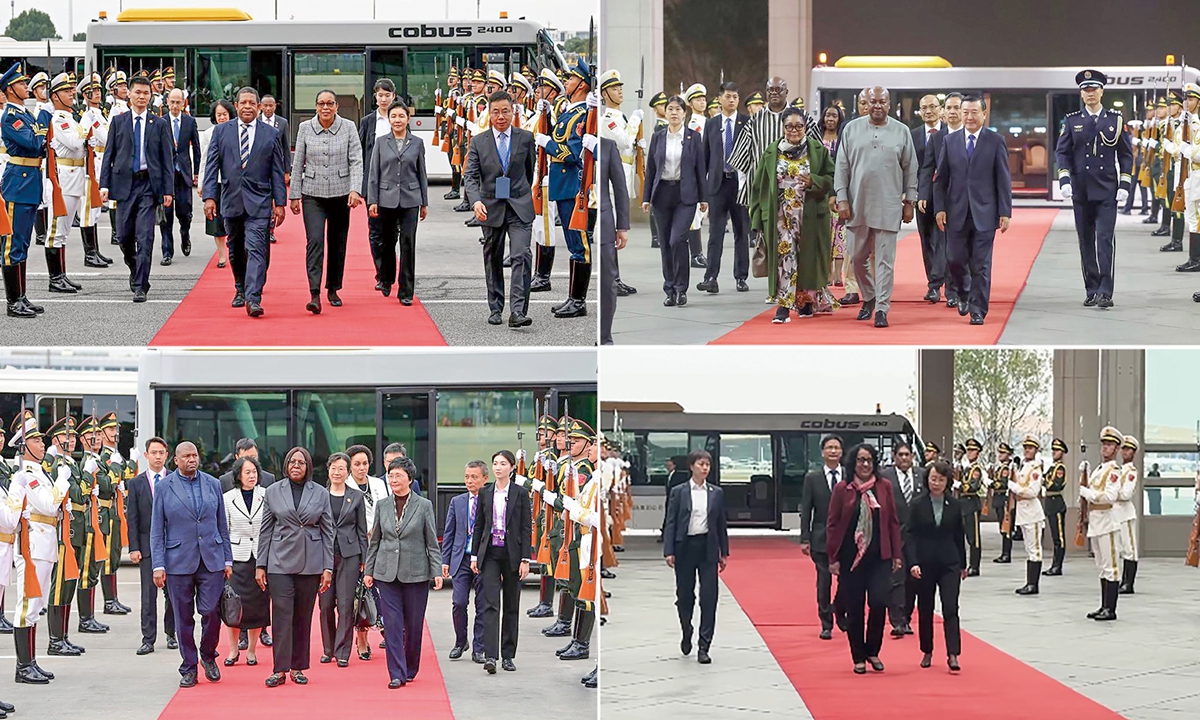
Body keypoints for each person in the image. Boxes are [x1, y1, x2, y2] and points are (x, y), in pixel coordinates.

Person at [149, 441, 233, 688]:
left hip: (212, 559)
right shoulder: (164, 487)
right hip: (178, 562)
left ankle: (208, 655)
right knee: (183, 618)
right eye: (186, 456)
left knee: (211, 612)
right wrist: (158, 565)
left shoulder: (213, 484)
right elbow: (157, 530)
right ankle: (188, 667)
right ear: (175, 460)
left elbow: (222, 525)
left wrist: (227, 558)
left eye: (195, 455)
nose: (191, 459)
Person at [834, 86, 918, 328]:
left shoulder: (901, 131)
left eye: (882, 102)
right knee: (857, 257)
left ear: (889, 105)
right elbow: (842, 166)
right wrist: (841, 198)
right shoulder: (851, 129)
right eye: (873, 102)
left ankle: (882, 308)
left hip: (889, 204)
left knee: (884, 261)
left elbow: (910, 167)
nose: (877, 106)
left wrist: (909, 201)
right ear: (865, 104)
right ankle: (869, 296)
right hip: (857, 204)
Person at [203, 86, 287, 317]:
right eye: (244, 103)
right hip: (231, 200)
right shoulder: (221, 132)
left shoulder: (271, 134)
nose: (248, 107)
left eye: (252, 103)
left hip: (259, 202)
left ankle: (253, 297)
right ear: (237, 106)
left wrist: (280, 203)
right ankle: (240, 287)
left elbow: (277, 171)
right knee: (236, 249)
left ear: (259, 108)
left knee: (257, 248)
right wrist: (210, 197)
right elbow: (211, 167)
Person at [749, 105, 835, 323]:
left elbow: (833, 179)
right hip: (780, 217)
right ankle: (784, 307)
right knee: (785, 257)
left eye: (799, 126)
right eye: (789, 126)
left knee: (806, 258)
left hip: (810, 215)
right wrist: (757, 220)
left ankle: (805, 301)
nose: (794, 130)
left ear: (805, 127)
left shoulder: (818, 150)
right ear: (783, 127)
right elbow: (758, 188)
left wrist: (814, 181)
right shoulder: (771, 152)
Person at [256, 446, 334, 687]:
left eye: (301, 462)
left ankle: (298, 667)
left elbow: (328, 531)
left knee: (303, 616)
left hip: (311, 562)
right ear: (286, 465)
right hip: (279, 561)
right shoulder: (272, 492)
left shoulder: (321, 493)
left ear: (308, 466)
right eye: (292, 462)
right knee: (281, 615)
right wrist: (261, 564)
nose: (296, 466)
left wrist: (328, 567)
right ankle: (279, 669)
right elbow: (266, 529)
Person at [1054, 70, 1132, 309]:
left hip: (1107, 189)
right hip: (1081, 189)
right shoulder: (1072, 120)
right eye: (1085, 90)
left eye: (1093, 89)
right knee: (1086, 240)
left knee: (1105, 239)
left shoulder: (1115, 120)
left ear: (1102, 91)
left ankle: (1106, 291)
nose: (1089, 94)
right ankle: (1092, 288)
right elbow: (1062, 153)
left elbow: (1126, 155)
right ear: (1081, 93)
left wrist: (1125, 184)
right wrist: (1064, 180)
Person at [933, 95, 1012, 325]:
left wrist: (1005, 212)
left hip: (985, 213)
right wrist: (940, 208)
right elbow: (941, 179)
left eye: (974, 112)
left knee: (981, 263)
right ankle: (965, 293)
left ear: (984, 114)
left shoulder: (995, 141)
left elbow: (1003, 179)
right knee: (954, 259)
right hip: (955, 211)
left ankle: (978, 309)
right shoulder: (950, 141)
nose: (969, 116)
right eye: (965, 112)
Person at [364, 458, 442, 688]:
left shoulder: (424, 505)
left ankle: (410, 666)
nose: (394, 480)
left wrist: (436, 571)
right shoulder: (383, 505)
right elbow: (375, 541)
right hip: (386, 573)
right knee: (393, 624)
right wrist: (369, 570)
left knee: (414, 624)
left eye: (398, 475)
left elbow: (431, 542)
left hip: (416, 573)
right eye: (390, 475)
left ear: (410, 478)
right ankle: (396, 673)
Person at [826, 443, 903, 674]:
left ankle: (873, 650)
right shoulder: (843, 489)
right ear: (853, 463)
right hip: (851, 558)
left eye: (869, 460)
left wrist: (897, 554)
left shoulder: (884, 486)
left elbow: (893, 522)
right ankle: (858, 656)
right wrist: (833, 557)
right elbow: (832, 523)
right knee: (855, 607)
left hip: (879, 556)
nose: (865, 464)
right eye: (860, 460)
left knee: (879, 602)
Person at [464, 90, 537, 328]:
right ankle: (496, 307)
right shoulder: (478, 141)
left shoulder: (525, 138)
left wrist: (520, 191)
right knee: (493, 258)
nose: (501, 116)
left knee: (521, 255)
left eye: (505, 111)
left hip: (519, 207)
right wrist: (476, 201)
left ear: (513, 111)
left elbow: (529, 170)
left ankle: (518, 311)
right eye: (496, 112)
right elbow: (471, 176)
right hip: (490, 207)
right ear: (489, 114)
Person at [99, 72, 174, 303]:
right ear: (129, 94)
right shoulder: (119, 121)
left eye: (146, 93)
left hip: (148, 186)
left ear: (151, 96)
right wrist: (104, 184)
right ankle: (134, 268)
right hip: (124, 186)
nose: (142, 97)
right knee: (123, 236)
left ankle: (141, 285)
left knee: (145, 237)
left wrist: (167, 190)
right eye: (138, 92)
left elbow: (167, 159)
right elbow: (109, 154)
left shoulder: (159, 124)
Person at [287, 89, 362, 314]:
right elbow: (298, 161)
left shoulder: (348, 127)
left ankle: (333, 288)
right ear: (316, 106)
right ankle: (314, 292)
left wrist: (355, 189)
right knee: (315, 241)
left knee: (338, 243)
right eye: (321, 104)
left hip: (341, 194)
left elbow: (356, 161)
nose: (325, 108)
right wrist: (294, 196)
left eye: (330, 103)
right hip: (313, 194)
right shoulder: (304, 128)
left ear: (337, 106)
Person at [535, 58, 593, 319]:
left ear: (581, 84)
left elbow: (572, 152)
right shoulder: (570, 112)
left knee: (579, 244)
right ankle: (573, 297)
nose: (566, 82)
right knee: (573, 244)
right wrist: (546, 115)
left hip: (573, 186)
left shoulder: (582, 115)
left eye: (570, 79)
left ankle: (579, 301)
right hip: (563, 185)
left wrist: (546, 143)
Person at [469, 451, 533, 674]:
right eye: (495, 463)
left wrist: (526, 559)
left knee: (511, 604)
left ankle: (508, 655)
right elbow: (479, 525)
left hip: (513, 553)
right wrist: (475, 555)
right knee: (490, 603)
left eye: (503, 464)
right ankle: (490, 655)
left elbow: (527, 528)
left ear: (512, 467)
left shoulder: (521, 493)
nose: (498, 468)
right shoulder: (485, 492)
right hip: (490, 553)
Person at [663, 449, 729, 665]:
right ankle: (686, 629)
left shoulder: (716, 492)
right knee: (685, 596)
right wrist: (669, 550)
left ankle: (704, 645)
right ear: (692, 466)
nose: (705, 468)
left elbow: (721, 524)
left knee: (709, 597)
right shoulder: (679, 491)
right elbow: (671, 520)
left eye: (707, 465)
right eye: (701, 464)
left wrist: (724, 552)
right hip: (685, 547)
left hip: (708, 547)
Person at [729, 76, 789, 302]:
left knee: (791, 240)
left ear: (786, 91)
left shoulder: (798, 118)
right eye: (770, 89)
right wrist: (755, 180)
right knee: (769, 240)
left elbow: (815, 151)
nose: (774, 93)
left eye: (778, 89)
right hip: (764, 193)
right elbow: (741, 158)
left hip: (793, 191)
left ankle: (792, 285)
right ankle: (774, 288)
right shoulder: (755, 121)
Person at [643, 95, 706, 308]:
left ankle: (681, 288)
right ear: (665, 112)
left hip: (685, 195)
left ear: (684, 113)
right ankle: (669, 288)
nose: (674, 113)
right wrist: (646, 198)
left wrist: (703, 198)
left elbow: (700, 169)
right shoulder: (658, 137)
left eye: (678, 109)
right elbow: (651, 170)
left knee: (677, 240)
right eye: (670, 109)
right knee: (665, 245)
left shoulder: (693, 137)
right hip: (662, 195)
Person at [904, 461, 965, 672]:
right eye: (932, 479)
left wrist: (963, 564)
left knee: (950, 607)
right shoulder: (918, 503)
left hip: (949, 563)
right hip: (924, 563)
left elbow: (959, 535)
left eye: (940, 479)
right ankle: (927, 650)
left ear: (947, 481)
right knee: (926, 608)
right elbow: (909, 535)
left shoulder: (955, 505)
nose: (936, 483)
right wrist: (912, 562)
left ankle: (953, 653)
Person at [367, 103, 428, 305]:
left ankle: (406, 291)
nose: (398, 120)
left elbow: (422, 174)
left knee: (408, 244)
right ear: (389, 119)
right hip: (386, 198)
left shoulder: (417, 143)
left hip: (411, 198)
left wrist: (424, 202)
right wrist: (373, 200)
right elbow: (374, 173)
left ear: (407, 119)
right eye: (394, 116)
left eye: (401, 116)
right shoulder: (381, 142)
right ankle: (386, 279)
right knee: (387, 241)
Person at [0, 63, 47, 317]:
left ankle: (21, 296)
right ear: (10, 89)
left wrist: (38, 129)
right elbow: (33, 143)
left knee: (24, 243)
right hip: (18, 183)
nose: (26, 87)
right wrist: (41, 124)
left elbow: (39, 143)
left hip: (30, 182)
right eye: (21, 84)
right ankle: (12, 302)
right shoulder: (10, 117)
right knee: (12, 243)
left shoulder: (25, 115)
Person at [699, 81, 751, 294]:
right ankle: (711, 276)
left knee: (741, 232)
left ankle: (741, 277)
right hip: (718, 184)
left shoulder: (747, 123)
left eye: (735, 97)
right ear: (719, 98)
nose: (732, 100)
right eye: (728, 96)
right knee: (715, 233)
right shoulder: (711, 124)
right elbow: (705, 157)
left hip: (739, 184)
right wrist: (702, 191)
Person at [127, 436, 176, 655]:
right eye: (153, 452)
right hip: (147, 548)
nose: (158, 456)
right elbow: (133, 519)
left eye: (161, 453)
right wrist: (134, 547)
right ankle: (148, 639)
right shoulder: (136, 483)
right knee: (148, 596)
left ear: (167, 455)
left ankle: (171, 634)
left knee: (173, 594)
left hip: (173, 546)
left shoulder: (176, 480)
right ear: (146, 455)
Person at [318, 453, 367, 667]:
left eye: (341, 469)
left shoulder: (356, 497)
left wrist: (364, 559)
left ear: (348, 472)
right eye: (333, 468)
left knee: (346, 606)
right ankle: (328, 649)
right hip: (324, 556)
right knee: (325, 605)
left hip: (349, 555)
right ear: (328, 470)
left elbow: (362, 530)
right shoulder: (319, 495)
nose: (337, 472)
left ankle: (343, 651)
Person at [222, 456, 270, 667]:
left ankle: (251, 650)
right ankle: (233, 650)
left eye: (254, 472)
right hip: (237, 558)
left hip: (260, 558)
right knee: (233, 606)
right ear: (238, 475)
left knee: (257, 606)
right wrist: (226, 561)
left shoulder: (267, 495)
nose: (252, 476)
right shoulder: (227, 498)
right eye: (247, 472)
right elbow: (224, 531)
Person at [919, 92, 965, 308]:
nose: (953, 112)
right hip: (939, 199)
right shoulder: (937, 137)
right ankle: (938, 285)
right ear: (944, 112)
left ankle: (952, 288)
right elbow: (927, 168)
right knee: (938, 243)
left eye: (957, 108)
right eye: (950, 108)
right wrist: (922, 195)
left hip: (964, 200)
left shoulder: (972, 134)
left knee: (955, 246)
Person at [44, 73, 86, 294]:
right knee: (56, 231)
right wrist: (86, 130)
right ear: (55, 96)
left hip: (75, 175)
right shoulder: (58, 119)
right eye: (66, 90)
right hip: (64, 177)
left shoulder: (70, 118)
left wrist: (82, 132)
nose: (72, 93)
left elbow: (79, 144)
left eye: (72, 89)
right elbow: (74, 143)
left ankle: (62, 275)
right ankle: (54, 278)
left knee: (65, 231)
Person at [799, 434, 843, 640]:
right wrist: (804, 538)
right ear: (823, 452)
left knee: (848, 582)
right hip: (820, 538)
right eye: (829, 447)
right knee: (823, 581)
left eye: (837, 448)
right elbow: (806, 510)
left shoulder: (850, 476)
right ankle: (826, 622)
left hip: (848, 539)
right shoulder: (812, 478)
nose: (833, 451)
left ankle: (841, 612)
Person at [1079, 426, 1125, 621]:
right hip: (1096, 521)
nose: (1105, 448)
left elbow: (1110, 497)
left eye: (1110, 445)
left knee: (1111, 566)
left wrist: (1087, 493)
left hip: (1108, 521)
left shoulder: (1114, 471)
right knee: (1102, 565)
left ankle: (1111, 609)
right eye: (1104, 444)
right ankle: (1104, 605)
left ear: (1115, 449)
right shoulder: (1099, 470)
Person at [443, 461, 487, 663]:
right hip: (461, 558)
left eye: (474, 477)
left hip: (484, 559)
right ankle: (461, 641)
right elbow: (449, 532)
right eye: (467, 476)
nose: (469, 481)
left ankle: (479, 647)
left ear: (484, 479)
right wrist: (445, 561)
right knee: (459, 602)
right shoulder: (457, 501)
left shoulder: (490, 500)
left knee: (482, 604)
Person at [881, 442, 923, 637]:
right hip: (894, 535)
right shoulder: (884, 477)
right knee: (896, 579)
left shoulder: (921, 475)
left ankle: (907, 617)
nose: (904, 458)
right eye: (900, 455)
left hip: (916, 536)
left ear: (912, 456)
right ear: (894, 456)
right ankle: (897, 620)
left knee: (913, 580)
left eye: (907, 455)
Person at [360, 78, 398, 291]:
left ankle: (389, 271)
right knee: (375, 231)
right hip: (373, 184)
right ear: (375, 97)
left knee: (392, 233)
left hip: (397, 184)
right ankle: (382, 274)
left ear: (393, 96)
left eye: (387, 95)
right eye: (380, 95)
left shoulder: (399, 118)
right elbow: (359, 154)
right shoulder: (368, 122)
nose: (383, 99)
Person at [913, 94, 947, 303]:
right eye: (923, 108)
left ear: (940, 109)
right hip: (921, 197)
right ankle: (933, 283)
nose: (928, 111)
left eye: (932, 107)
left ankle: (941, 283)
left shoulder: (949, 133)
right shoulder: (913, 134)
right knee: (926, 241)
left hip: (945, 196)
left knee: (943, 241)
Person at [160, 89, 200, 264]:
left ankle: (185, 234)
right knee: (166, 215)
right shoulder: (160, 122)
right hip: (166, 174)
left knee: (185, 212)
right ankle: (167, 251)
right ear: (167, 103)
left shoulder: (190, 122)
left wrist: (198, 172)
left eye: (178, 102)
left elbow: (197, 148)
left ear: (183, 103)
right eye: (172, 102)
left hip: (183, 172)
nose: (175, 106)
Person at [600, 135, 628, 345]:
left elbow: (620, 188)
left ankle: (605, 336)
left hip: (604, 220)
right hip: (577, 218)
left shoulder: (607, 146)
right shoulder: (574, 140)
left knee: (607, 280)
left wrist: (623, 226)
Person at [198, 99, 233, 268]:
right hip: (215, 182)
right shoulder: (208, 134)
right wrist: (202, 184)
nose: (221, 118)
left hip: (232, 182)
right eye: (218, 115)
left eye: (224, 114)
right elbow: (204, 160)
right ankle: (221, 255)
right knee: (216, 220)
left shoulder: (235, 131)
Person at [1011, 436, 1046, 595]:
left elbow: (1032, 492)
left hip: (1032, 513)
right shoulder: (1023, 467)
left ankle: (1033, 584)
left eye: (1030, 448)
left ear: (1036, 450)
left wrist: (1013, 487)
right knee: (1029, 548)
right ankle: (1029, 582)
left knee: (1035, 550)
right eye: (1025, 448)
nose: (1027, 450)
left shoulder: (1035, 469)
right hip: (1023, 513)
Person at [821, 105, 848, 288]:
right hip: (820, 192)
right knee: (824, 234)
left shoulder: (844, 138)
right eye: (828, 115)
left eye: (834, 116)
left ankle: (838, 274)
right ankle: (827, 272)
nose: (830, 119)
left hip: (838, 189)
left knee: (839, 234)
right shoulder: (815, 138)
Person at [1115, 435, 1140, 594]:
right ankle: (1121, 580)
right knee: (1118, 548)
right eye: (1123, 448)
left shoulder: (1131, 471)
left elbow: (1125, 494)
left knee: (1129, 548)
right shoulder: (1117, 470)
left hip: (1125, 513)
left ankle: (1128, 583)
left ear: (1133, 452)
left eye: (1128, 449)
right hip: (1115, 513)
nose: (1125, 452)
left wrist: (1110, 493)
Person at [1042, 438, 1069, 576]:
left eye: (1057, 450)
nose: (1054, 452)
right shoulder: (1053, 467)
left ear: (1062, 452)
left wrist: (1044, 480)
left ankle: (1057, 566)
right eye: (1053, 450)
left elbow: (1054, 484)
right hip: (1050, 503)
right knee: (1054, 537)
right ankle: (1054, 564)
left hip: (1056, 502)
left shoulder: (1060, 468)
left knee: (1059, 538)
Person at [958, 438, 986, 576]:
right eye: (968, 450)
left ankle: (974, 566)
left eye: (973, 450)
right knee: (962, 535)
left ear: (978, 453)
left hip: (971, 504)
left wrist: (958, 485)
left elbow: (972, 487)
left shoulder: (976, 470)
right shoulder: (966, 468)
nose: (969, 453)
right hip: (963, 504)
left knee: (973, 537)